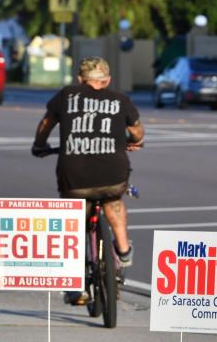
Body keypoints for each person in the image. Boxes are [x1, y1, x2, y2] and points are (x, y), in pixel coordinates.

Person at [32, 56, 144, 305]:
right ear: (107, 80)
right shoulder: (120, 99)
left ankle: (76, 285)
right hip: (113, 175)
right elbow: (137, 131)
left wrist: (39, 145)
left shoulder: (67, 95)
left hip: (76, 176)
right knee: (113, 201)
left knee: (74, 223)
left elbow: (46, 123)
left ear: (80, 79)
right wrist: (133, 141)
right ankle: (124, 252)